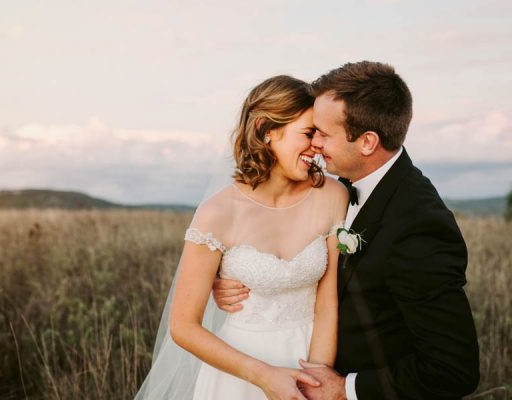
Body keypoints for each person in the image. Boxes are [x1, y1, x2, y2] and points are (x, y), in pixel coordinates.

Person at [213, 61, 480, 399]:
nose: (315, 144)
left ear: (367, 142)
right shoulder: (337, 189)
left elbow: (454, 369)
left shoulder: (419, 225)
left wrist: (347, 389)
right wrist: (240, 278)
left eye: (322, 133)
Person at [134, 75, 349, 400]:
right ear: (266, 130)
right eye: (308, 133)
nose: (317, 145)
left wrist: (316, 380)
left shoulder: (332, 195)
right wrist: (262, 376)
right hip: (238, 375)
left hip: (311, 359)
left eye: (319, 134)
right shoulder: (217, 213)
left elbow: (327, 301)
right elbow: (183, 326)